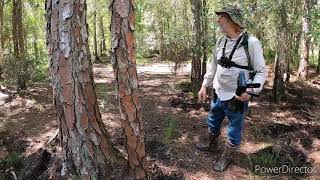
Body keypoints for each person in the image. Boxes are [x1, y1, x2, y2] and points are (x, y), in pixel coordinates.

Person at [196, 4, 267, 172]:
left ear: (234, 21)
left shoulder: (251, 43)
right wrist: (204, 85)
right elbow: (213, 66)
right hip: (218, 92)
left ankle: (228, 157)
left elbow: (261, 72)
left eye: (223, 17)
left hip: (237, 97)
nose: (218, 20)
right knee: (213, 121)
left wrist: (250, 91)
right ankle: (211, 144)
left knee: (234, 128)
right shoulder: (220, 41)